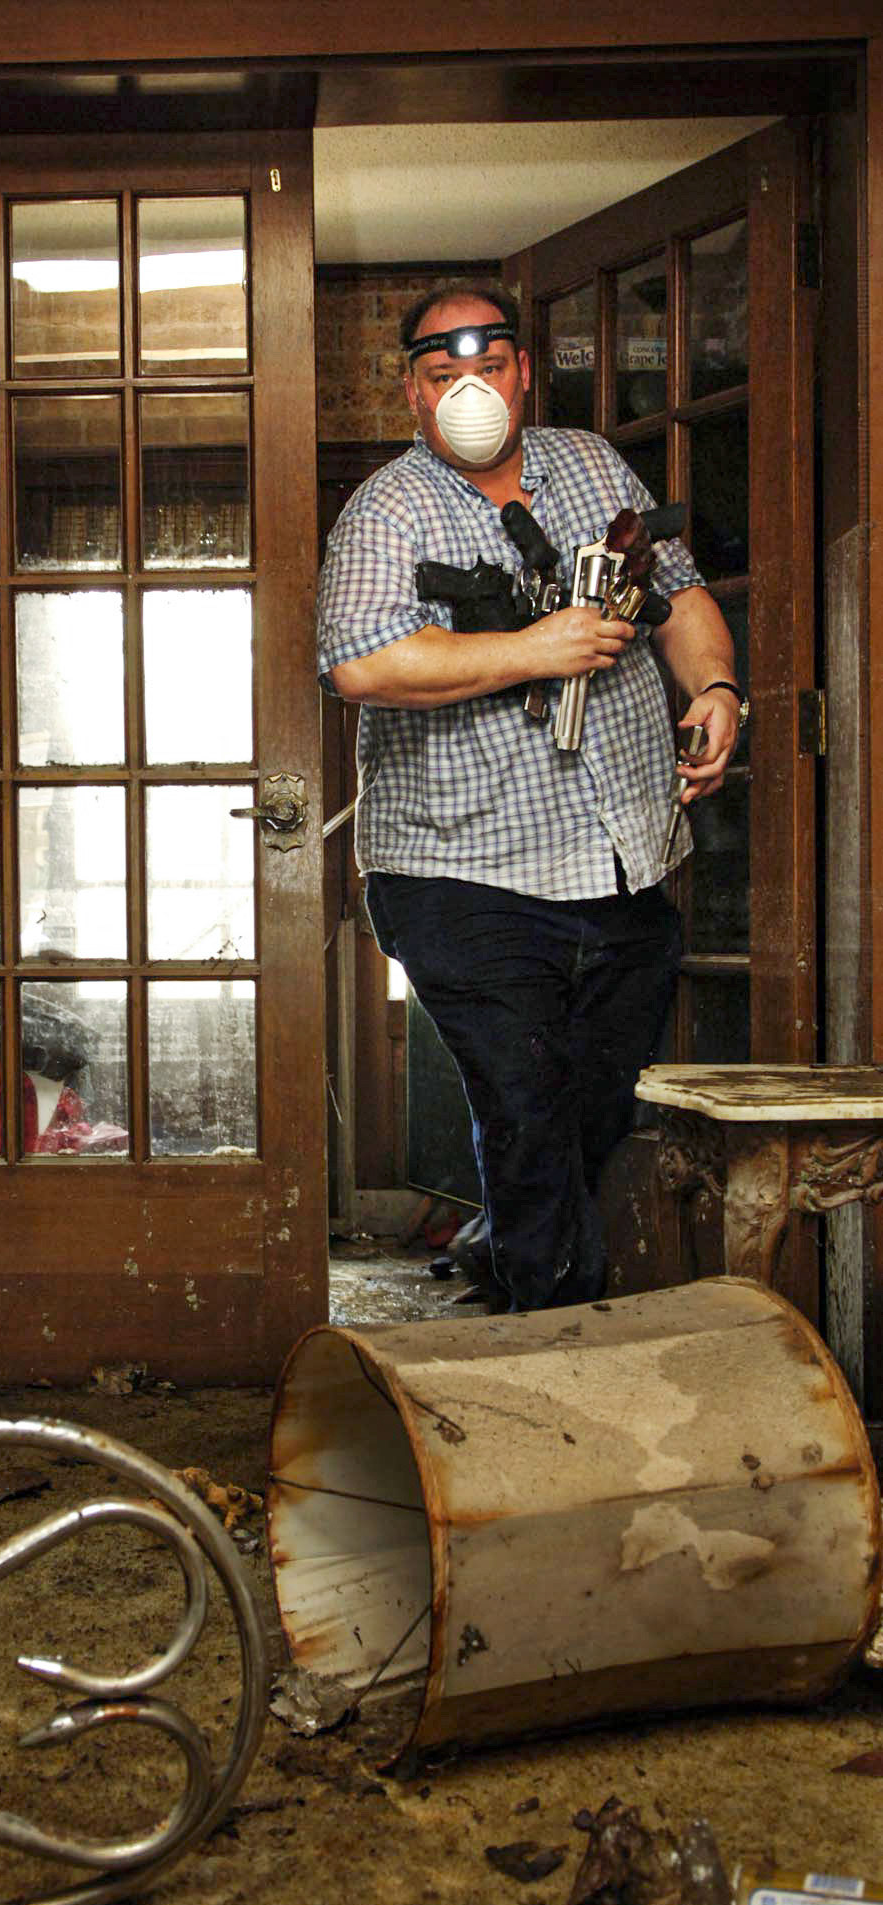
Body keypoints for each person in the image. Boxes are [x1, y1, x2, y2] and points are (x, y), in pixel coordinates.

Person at [317, 279, 742, 1313]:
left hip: (622, 853)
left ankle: (502, 1239)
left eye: (489, 362)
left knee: (589, 1100)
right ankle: (553, 1332)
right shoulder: (388, 506)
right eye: (440, 370)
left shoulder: (590, 463)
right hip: (463, 869)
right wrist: (529, 649)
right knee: (524, 1098)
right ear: (414, 395)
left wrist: (717, 685)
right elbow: (358, 662)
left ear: (523, 369)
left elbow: (678, 595)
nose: (470, 386)